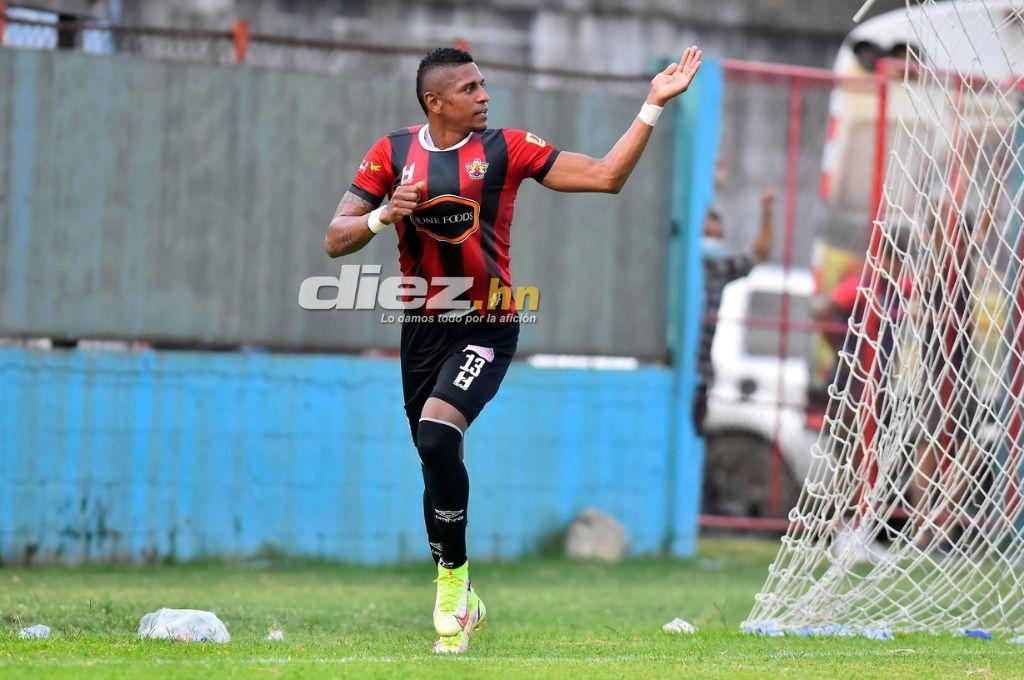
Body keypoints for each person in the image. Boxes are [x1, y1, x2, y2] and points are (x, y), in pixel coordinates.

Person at [324, 45, 703, 654]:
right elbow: (335, 238)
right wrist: (381, 216)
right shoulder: (391, 153)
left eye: (483, 85)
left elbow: (606, 176)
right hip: (422, 329)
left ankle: (451, 589)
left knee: (437, 435)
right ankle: (463, 598)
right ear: (435, 102)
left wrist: (653, 104)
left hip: (489, 324)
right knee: (433, 459)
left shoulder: (508, 148)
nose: (484, 96)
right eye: (470, 89)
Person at [692, 188, 775, 435]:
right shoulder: (685, 268)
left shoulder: (719, 269)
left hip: (701, 373)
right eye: (707, 235)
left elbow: (759, 254)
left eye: (717, 237)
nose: (712, 242)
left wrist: (767, 211)